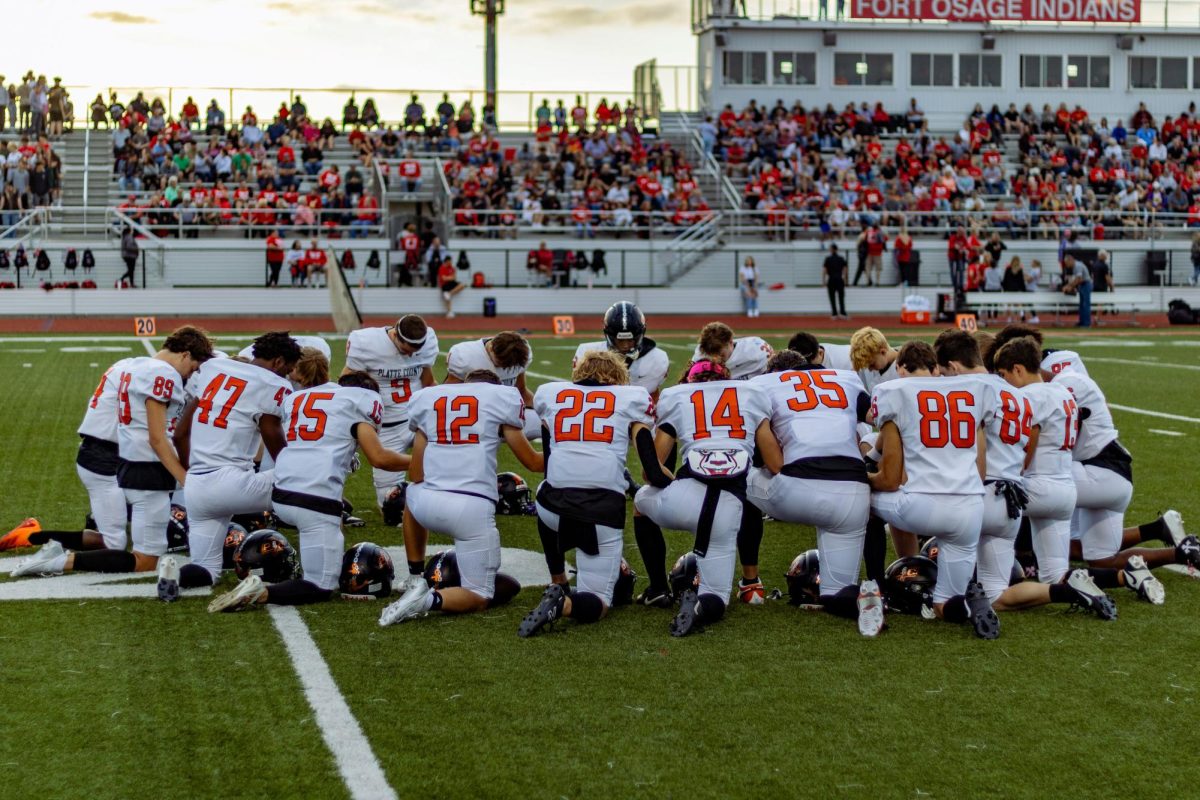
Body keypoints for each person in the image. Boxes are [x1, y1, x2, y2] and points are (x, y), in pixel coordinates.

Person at [934, 331, 1115, 619]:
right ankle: (1087, 586)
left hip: (1030, 487)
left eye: (1006, 373)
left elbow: (1026, 443)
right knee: (1056, 574)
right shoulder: (1063, 393)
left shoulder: (1025, 396)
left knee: (952, 525)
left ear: (1018, 369)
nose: (1004, 380)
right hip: (1065, 487)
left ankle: (955, 587)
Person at [13, 327, 214, 579]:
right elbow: (156, 436)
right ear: (185, 355)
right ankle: (53, 556)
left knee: (119, 541)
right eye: (193, 367)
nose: (190, 374)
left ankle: (47, 544)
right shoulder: (162, 374)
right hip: (111, 456)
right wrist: (185, 478)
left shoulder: (129, 365)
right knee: (117, 544)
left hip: (115, 455)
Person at [209, 368, 412, 611]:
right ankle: (261, 593)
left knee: (332, 512)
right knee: (320, 586)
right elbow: (379, 458)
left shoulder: (303, 398)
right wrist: (421, 461)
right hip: (314, 502)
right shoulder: (358, 403)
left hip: (282, 493)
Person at [379, 370, 544, 624]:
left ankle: (415, 575)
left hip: (425, 506)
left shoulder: (430, 400)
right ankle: (425, 601)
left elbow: (416, 473)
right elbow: (532, 462)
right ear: (494, 387)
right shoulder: (501, 398)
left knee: (412, 491)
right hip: (470, 509)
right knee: (480, 595)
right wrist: (568, 453)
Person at [634, 358, 782, 636]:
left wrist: (675, 481)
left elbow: (649, 469)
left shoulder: (677, 397)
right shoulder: (751, 395)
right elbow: (775, 463)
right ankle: (706, 605)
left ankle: (657, 588)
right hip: (728, 508)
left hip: (684, 497)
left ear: (689, 382)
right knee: (716, 599)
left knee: (642, 501)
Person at [519, 351, 657, 637]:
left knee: (545, 489)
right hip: (600, 512)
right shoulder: (632, 397)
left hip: (553, 508)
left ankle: (557, 579)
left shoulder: (550, 393)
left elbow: (548, 456)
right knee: (598, 601)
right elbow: (647, 459)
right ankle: (564, 605)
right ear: (619, 377)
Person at [747, 350, 883, 636]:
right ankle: (863, 597)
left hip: (797, 486)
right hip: (853, 491)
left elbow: (762, 458)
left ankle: (750, 582)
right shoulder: (846, 379)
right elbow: (879, 418)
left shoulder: (763, 385)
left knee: (740, 481)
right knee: (835, 594)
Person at [867, 341, 997, 638]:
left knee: (865, 502)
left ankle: (875, 588)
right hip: (970, 508)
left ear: (900, 367)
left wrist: (867, 479)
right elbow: (981, 470)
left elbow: (890, 480)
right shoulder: (975, 390)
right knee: (945, 605)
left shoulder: (894, 393)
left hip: (923, 506)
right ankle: (970, 605)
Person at [165, 333, 301, 596]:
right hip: (233, 482)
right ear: (278, 361)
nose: (289, 375)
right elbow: (273, 439)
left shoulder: (213, 367)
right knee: (306, 483)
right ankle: (318, 566)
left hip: (197, 485)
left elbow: (180, 433)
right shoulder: (272, 383)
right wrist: (299, 471)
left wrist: (190, 473)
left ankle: (175, 577)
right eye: (288, 368)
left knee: (206, 568)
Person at [343, 315, 439, 508]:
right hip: (385, 428)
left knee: (451, 463)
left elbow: (429, 382)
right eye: (406, 350)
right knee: (391, 504)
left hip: (418, 422)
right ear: (395, 334)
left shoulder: (427, 342)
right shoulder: (366, 343)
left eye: (415, 352)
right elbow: (346, 385)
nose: (411, 356)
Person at [444, 332, 541, 441]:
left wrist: (546, 415)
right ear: (490, 348)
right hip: (472, 418)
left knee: (547, 423)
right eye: (500, 363)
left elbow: (521, 391)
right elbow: (447, 396)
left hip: (504, 414)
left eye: (509, 366)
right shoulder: (466, 356)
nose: (504, 368)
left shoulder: (518, 356)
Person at [571, 302, 670, 399]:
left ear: (639, 336)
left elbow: (653, 394)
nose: (625, 345)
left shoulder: (657, 359)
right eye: (620, 340)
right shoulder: (589, 355)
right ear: (610, 336)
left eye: (630, 340)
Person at [692, 321, 773, 381]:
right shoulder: (700, 355)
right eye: (711, 353)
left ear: (730, 342)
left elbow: (773, 376)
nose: (715, 358)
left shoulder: (757, 350)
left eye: (720, 354)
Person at [1062, 254, 1091, 327]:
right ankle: (1082, 322)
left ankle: (1086, 323)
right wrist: (1070, 286)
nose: (1066, 265)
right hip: (1082, 285)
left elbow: (1079, 279)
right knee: (1082, 305)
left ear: (1070, 260)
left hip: (1086, 285)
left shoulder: (1077, 266)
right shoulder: (1075, 266)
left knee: (1085, 305)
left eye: (1066, 263)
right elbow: (1077, 279)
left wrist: (1069, 286)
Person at [823, 244, 848, 320]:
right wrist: (845, 278)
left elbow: (825, 270)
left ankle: (834, 313)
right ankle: (842, 313)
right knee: (841, 297)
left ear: (832, 249)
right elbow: (845, 269)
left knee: (832, 297)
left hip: (831, 279)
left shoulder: (828, 259)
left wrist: (823, 280)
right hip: (839, 279)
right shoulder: (841, 258)